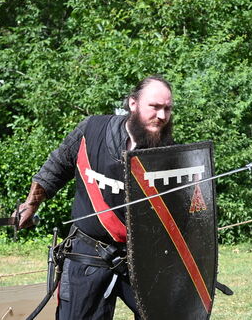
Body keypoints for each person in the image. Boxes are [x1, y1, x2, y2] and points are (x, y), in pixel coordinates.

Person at [15, 75, 174, 320]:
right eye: (155, 106)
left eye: (167, 108)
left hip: (143, 258)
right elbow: (57, 166)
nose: (162, 115)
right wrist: (30, 204)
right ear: (133, 104)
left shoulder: (170, 154)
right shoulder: (93, 130)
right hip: (87, 253)